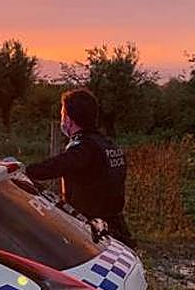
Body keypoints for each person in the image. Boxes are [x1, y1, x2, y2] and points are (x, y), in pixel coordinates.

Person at [26, 88, 133, 245]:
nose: (62, 120)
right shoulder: (107, 144)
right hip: (116, 227)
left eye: (62, 114)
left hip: (94, 232)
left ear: (69, 119)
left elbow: (56, 166)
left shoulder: (85, 148)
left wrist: (24, 170)